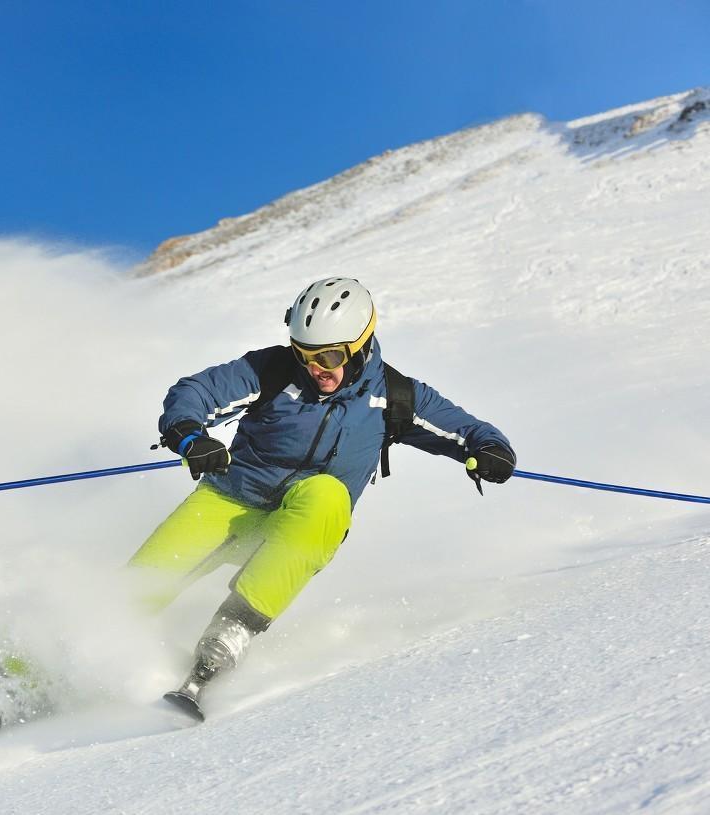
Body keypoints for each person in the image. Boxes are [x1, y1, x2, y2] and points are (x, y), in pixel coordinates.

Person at [128, 276, 515, 708]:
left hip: (305, 526)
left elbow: (469, 431)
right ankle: (55, 672)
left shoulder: (396, 397)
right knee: (132, 592)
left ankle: (231, 632)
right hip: (231, 500)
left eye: (329, 355)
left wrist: (491, 450)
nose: (317, 368)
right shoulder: (272, 372)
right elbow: (197, 392)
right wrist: (189, 435)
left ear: (361, 346)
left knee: (328, 495)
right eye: (305, 354)